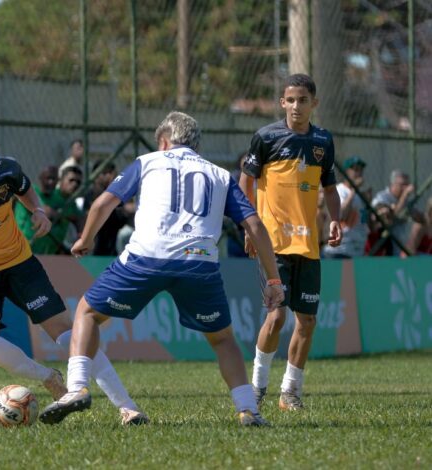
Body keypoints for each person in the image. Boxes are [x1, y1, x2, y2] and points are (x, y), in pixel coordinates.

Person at [38, 111, 284, 427]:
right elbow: (254, 226)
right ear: (197, 146)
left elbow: (102, 204)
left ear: (165, 141)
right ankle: (248, 410)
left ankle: (76, 388)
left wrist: (85, 239)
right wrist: (273, 279)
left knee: (87, 312)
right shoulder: (220, 175)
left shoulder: (149, 161)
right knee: (222, 339)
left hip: (146, 257)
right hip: (199, 262)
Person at [0, 121, 146, 425]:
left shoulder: (8, 169)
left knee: (68, 333)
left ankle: (127, 407)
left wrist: (38, 211)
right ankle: (48, 377)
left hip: (18, 263)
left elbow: (25, 190)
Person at [239, 73, 342, 411]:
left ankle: (290, 393)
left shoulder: (323, 141)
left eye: (303, 100)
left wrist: (336, 219)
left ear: (314, 103)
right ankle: (256, 389)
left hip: (308, 246)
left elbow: (329, 188)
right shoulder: (265, 138)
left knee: (307, 321)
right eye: (290, 100)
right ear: (282, 102)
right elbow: (246, 181)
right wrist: (248, 227)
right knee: (277, 317)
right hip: (273, 244)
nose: (296, 106)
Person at [323, 156, 370, 258]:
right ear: (346, 172)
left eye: (361, 170)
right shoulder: (340, 190)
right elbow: (341, 215)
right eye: (355, 169)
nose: (359, 173)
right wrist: (354, 190)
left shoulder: (361, 194)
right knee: (345, 274)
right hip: (339, 250)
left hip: (357, 251)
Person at [371, 170, 416, 255]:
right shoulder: (382, 197)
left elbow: (418, 217)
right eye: (402, 185)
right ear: (393, 184)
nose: (405, 188)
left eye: (407, 185)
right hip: (385, 246)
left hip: (402, 249)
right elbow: (394, 215)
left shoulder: (405, 201)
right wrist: (405, 195)